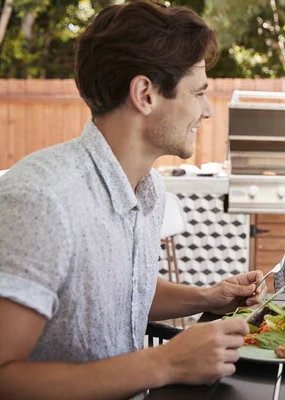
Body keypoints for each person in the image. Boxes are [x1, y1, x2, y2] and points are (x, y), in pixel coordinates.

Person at [0, 2, 266, 399]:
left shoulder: (149, 189)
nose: (207, 110)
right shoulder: (42, 201)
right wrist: (167, 361)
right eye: (198, 93)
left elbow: (119, 292)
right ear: (145, 94)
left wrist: (207, 297)